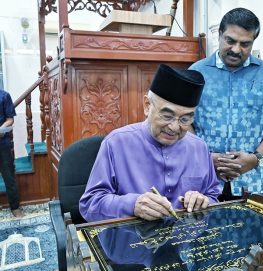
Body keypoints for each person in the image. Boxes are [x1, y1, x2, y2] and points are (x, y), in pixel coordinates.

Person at [80, 64, 221, 222]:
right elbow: (90, 205)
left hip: (185, 243)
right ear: (147, 106)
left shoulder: (199, 148)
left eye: (185, 119)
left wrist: (203, 201)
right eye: (167, 116)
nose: (174, 127)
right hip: (131, 242)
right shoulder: (116, 143)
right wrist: (132, 205)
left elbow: (213, 196)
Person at [189, 8, 263, 201]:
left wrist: (255, 159)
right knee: (205, 230)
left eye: (245, 44)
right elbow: (182, 120)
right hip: (203, 181)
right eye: (230, 40)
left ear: (253, 42)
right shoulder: (196, 72)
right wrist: (205, 158)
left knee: (254, 230)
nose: (236, 49)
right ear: (219, 35)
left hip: (251, 182)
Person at [0, 89, 24, 217]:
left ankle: (15, 207)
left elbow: (10, 119)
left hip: (2, 144)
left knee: (9, 176)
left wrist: (1, 129)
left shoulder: (4, 96)